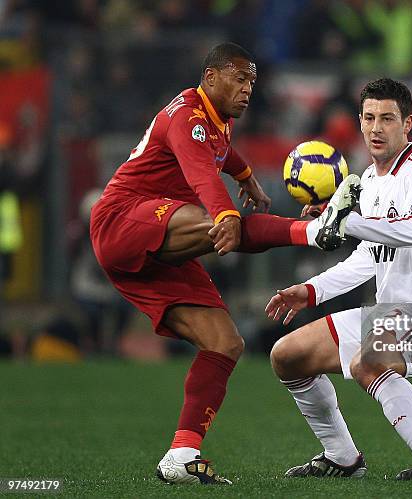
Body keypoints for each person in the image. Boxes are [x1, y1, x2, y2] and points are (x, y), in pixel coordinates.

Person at [90, 42, 358, 485]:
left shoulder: (219, 122)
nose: (248, 88)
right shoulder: (187, 118)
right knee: (217, 224)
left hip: (160, 244)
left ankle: (182, 454)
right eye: (239, 78)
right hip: (123, 220)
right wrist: (227, 212)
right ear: (211, 77)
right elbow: (201, 173)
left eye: (252, 80)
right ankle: (314, 232)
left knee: (225, 342)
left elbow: (222, 155)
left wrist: (247, 176)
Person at [266, 78, 412, 481]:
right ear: (359, 122)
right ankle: (341, 457)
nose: (377, 128)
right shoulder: (367, 182)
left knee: (368, 363)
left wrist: (349, 220)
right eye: (370, 118)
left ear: (408, 124)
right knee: (287, 356)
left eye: (388, 119)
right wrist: (311, 291)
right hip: (387, 313)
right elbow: (367, 258)